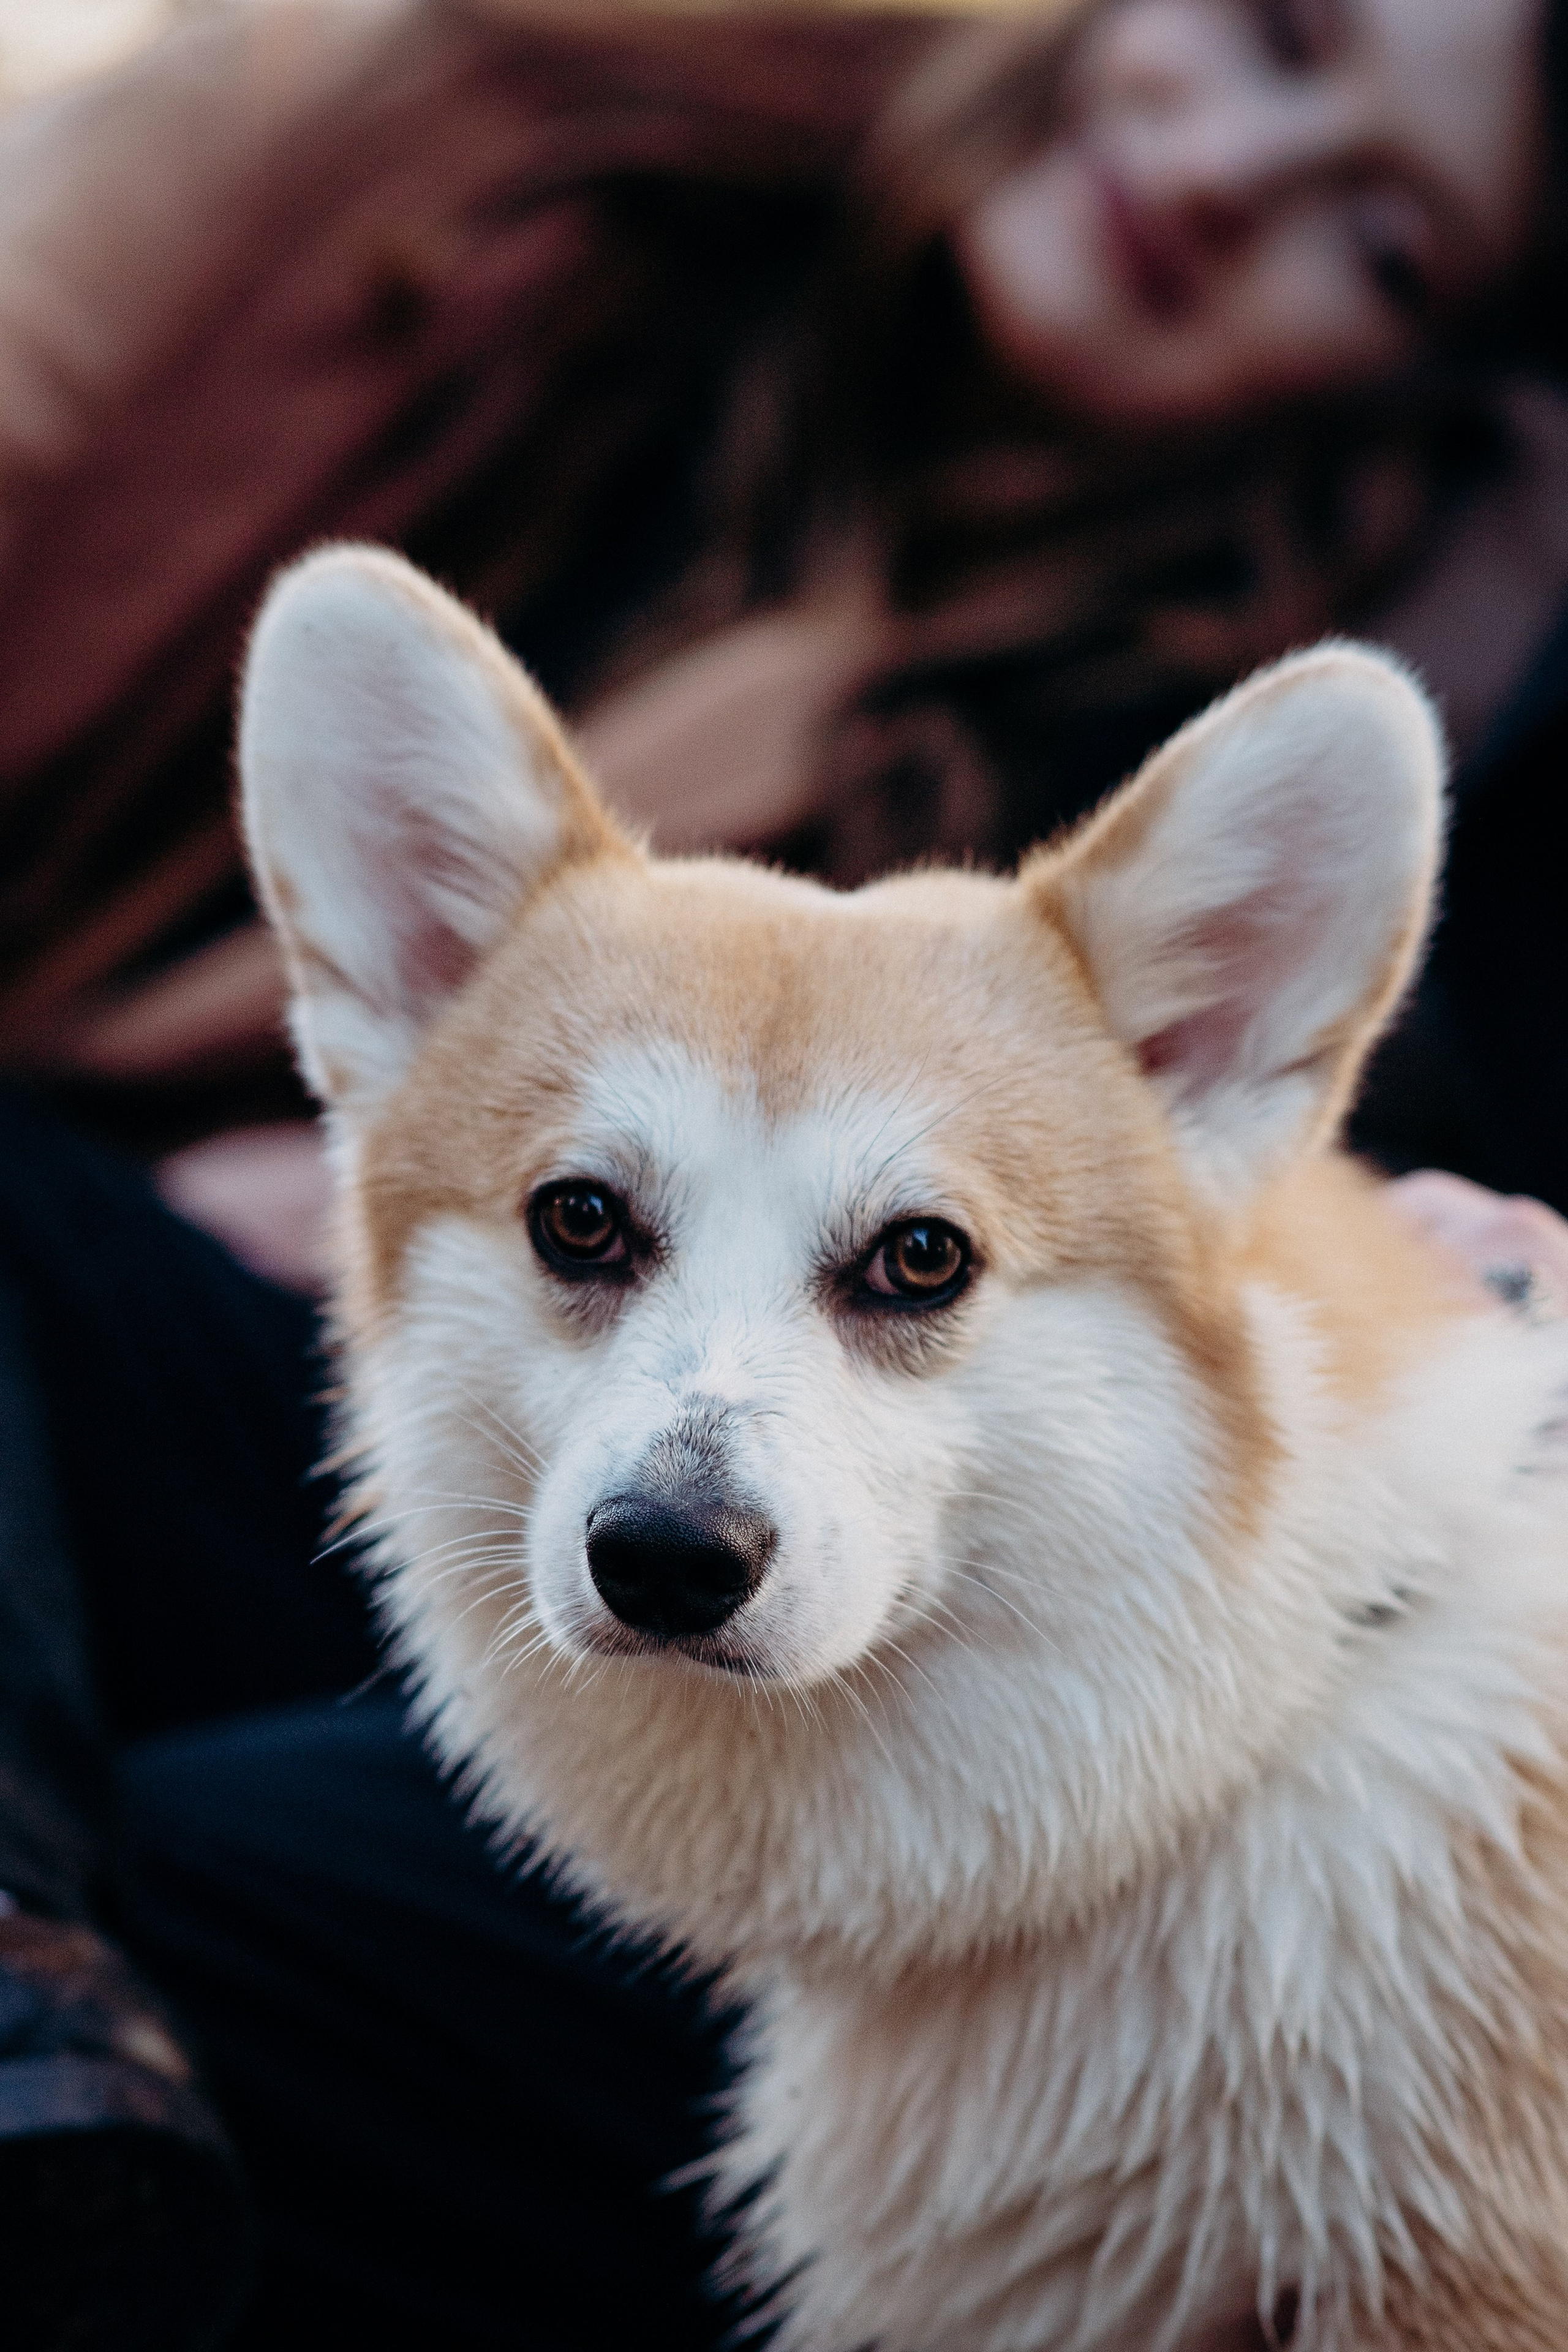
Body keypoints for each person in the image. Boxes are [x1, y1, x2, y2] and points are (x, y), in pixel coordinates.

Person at [2, 1, 1568, 2344]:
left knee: (203, 1873)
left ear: (1434, 375)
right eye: (1269, 29)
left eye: (1374, 232)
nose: (1226, 166)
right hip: (233, 1367)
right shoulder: (484, 148)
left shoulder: (1405, 666)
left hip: (877, 1686)